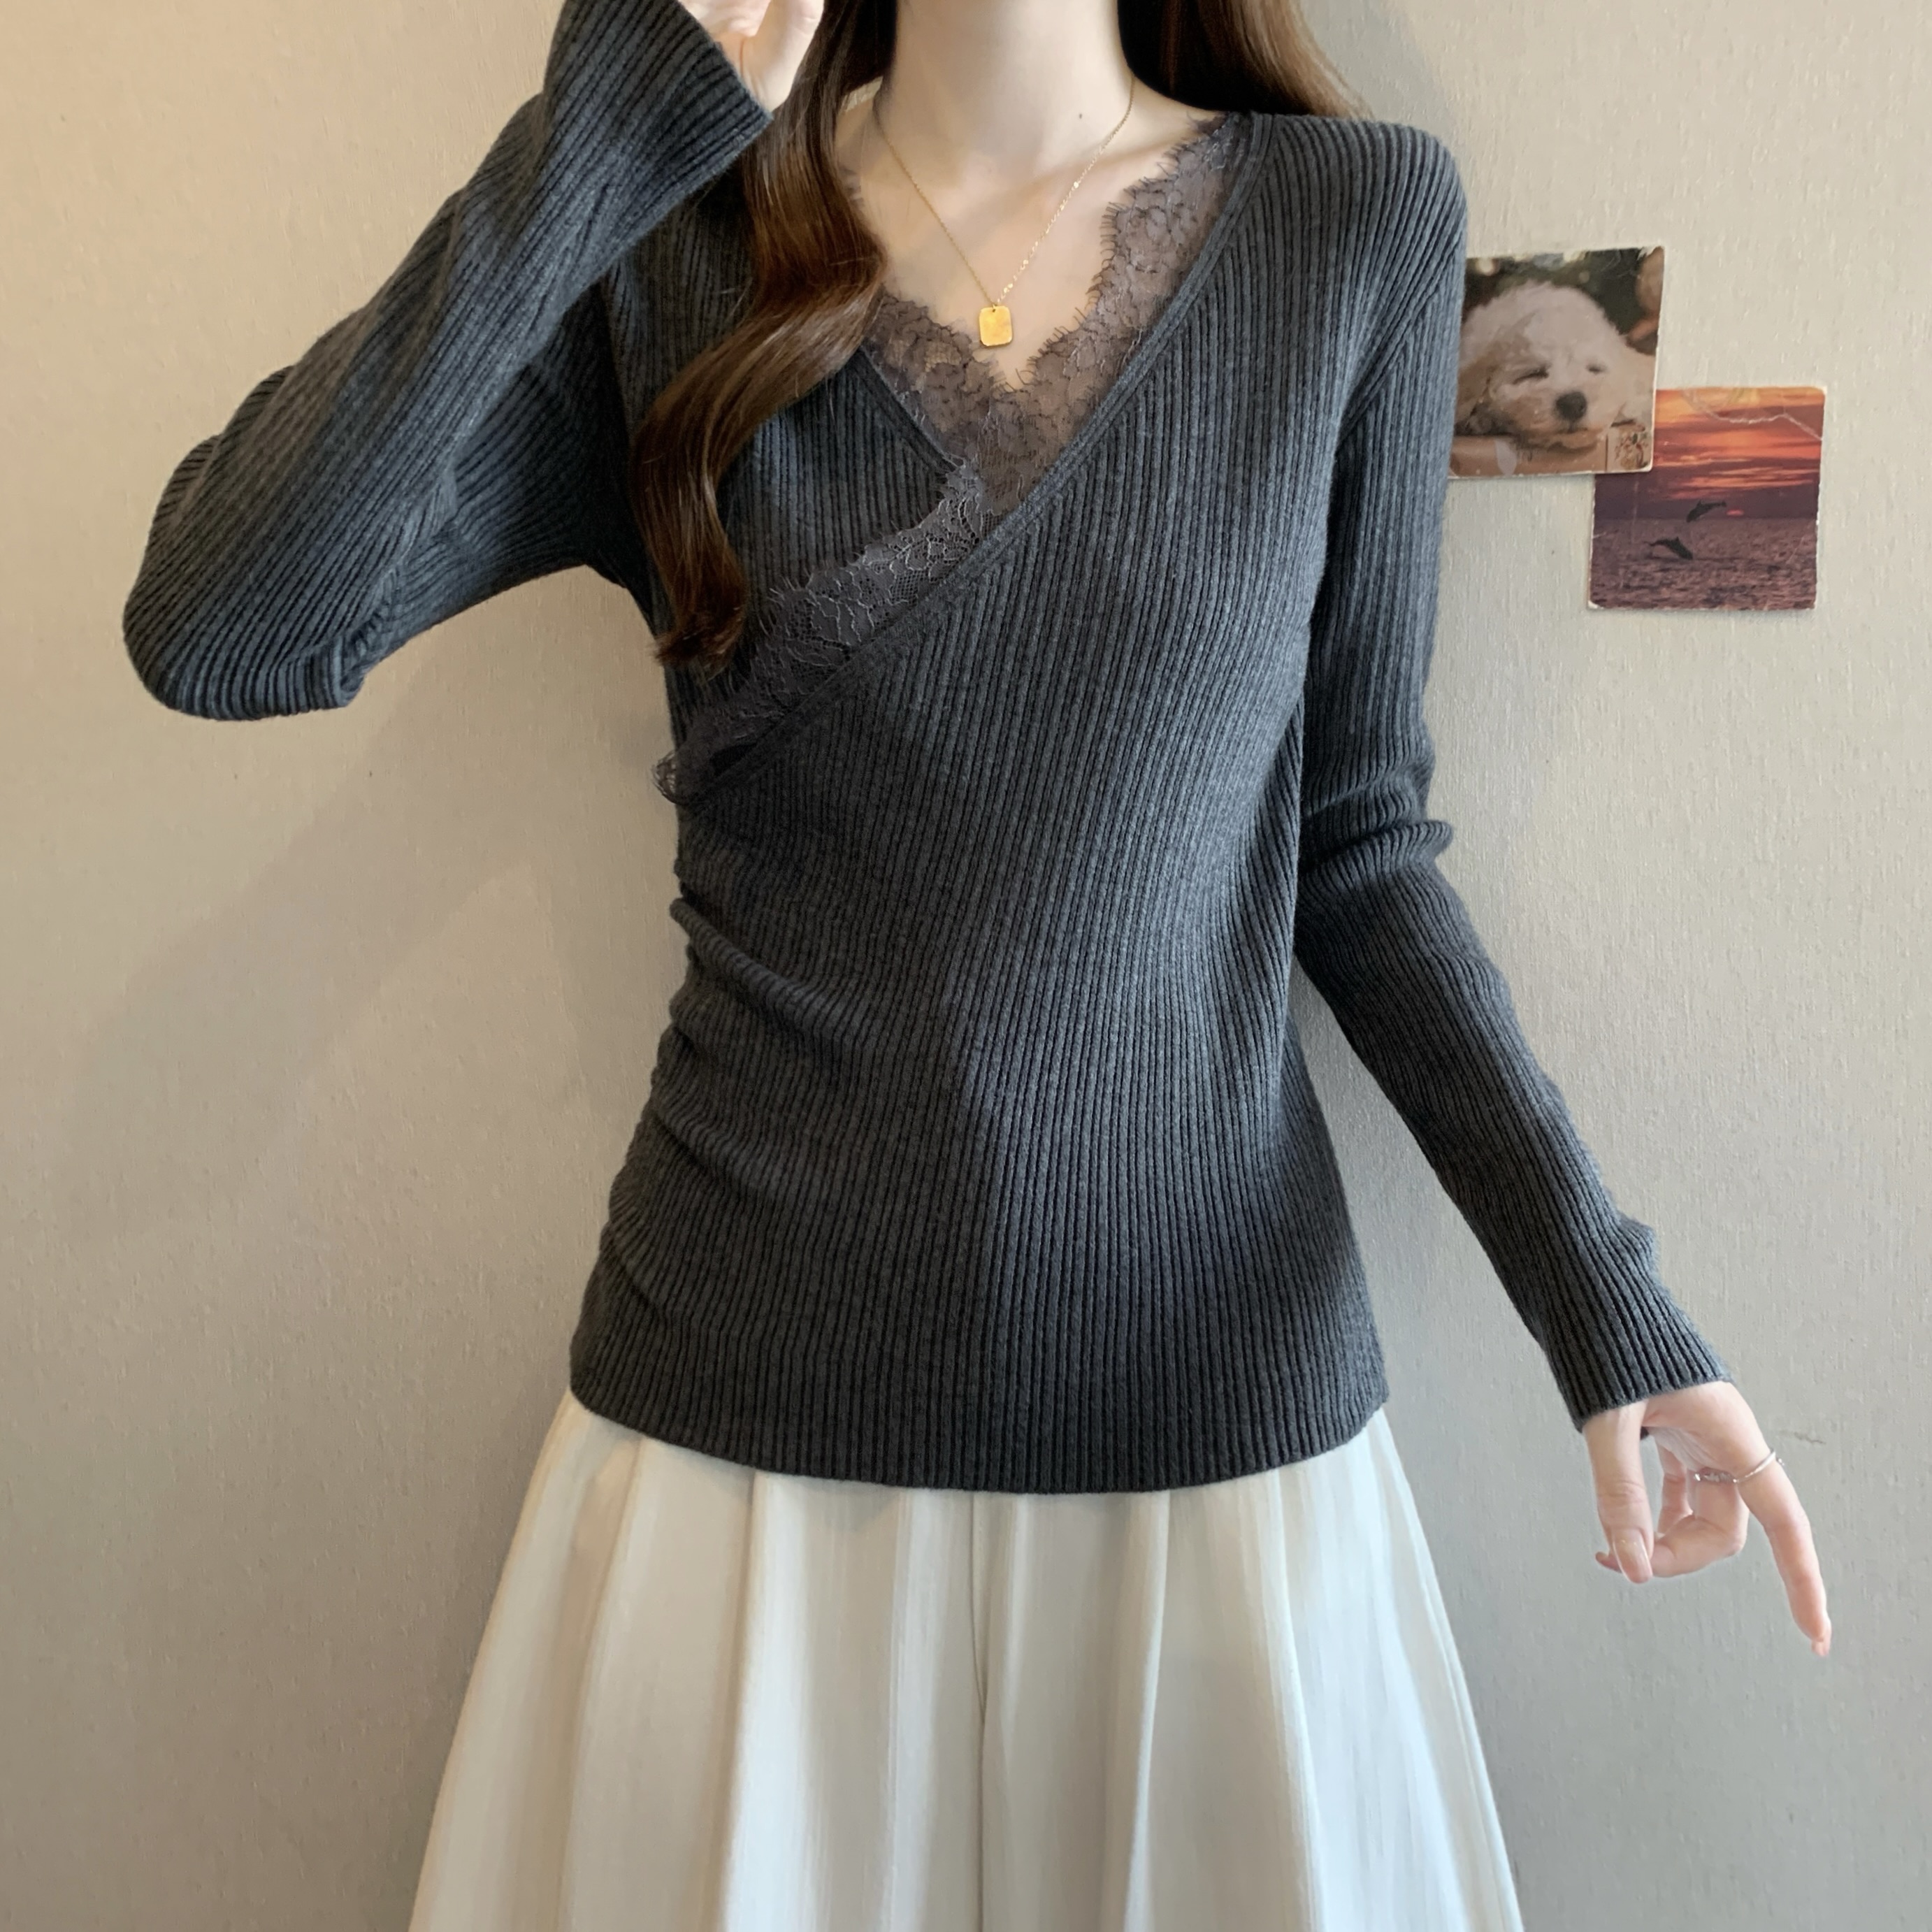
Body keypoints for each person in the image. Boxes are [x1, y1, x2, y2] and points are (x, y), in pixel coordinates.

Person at [121, 0, 1832, 1924]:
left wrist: (1608, 1312)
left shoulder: (1350, 221)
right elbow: (224, 625)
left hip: (1210, 1449)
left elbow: (1355, 845)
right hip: (741, 1473)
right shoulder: (675, 246)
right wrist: (604, 123)